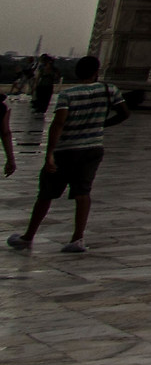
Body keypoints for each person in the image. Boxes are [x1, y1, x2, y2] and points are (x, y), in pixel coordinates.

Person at [8, 56, 116, 253]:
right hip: (93, 148)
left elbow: (58, 123)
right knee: (83, 192)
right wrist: (101, 125)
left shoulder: (68, 94)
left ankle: (28, 236)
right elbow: (124, 112)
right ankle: (77, 238)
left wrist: (50, 153)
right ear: (96, 72)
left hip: (66, 150)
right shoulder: (109, 90)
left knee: (46, 193)